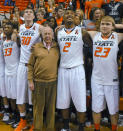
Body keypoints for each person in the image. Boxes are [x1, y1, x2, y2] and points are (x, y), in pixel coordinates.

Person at [56, 8, 93, 131]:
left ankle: (81, 127)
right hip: (62, 69)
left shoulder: (81, 31)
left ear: (76, 18)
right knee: (63, 101)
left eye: (72, 14)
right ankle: (66, 127)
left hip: (77, 69)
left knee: (80, 101)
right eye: (67, 14)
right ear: (63, 17)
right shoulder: (58, 32)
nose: (70, 16)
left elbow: (93, 45)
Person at [88, 15, 123, 131]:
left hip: (111, 80)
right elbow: (80, 29)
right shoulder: (94, 35)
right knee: (96, 108)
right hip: (96, 79)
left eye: (107, 24)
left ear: (113, 27)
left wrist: (115, 25)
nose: (104, 26)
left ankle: (114, 129)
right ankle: (96, 129)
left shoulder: (117, 36)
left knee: (113, 110)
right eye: (102, 24)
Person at [14, 7, 43, 131]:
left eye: (30, 12)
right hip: (21, 65)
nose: (28, 14)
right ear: (23, 16)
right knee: (20, 95)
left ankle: (34, 122)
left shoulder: (39, 27)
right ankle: (23, 121)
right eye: (26, 12)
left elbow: (48, 41)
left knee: (33, 98)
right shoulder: (19, 29)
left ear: (34, 16)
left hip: (34, 66)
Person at [28, 26, 59, 131]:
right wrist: (30, 81)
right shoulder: (36, 47)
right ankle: (37, 128)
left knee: (51, 109)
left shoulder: (57, 47)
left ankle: (50, 128)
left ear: (53, 35)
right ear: (41, 35)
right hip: (38, 83)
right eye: (45, 34)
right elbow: (30, 65)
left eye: (49, 34)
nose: (47, 36)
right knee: (38, 109)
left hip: (53, 82)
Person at [2, 21, 20, 125]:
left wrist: (16, 33)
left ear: (12, 29)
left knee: (16, 97)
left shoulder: (16, 39)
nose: (5, 29)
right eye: (4, 27)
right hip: (7, 71)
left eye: (8, 27)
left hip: (15, 71)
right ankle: (14, 116)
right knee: (10, 97)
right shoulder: (4, 42)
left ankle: (19, 118)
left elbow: (20, 39)